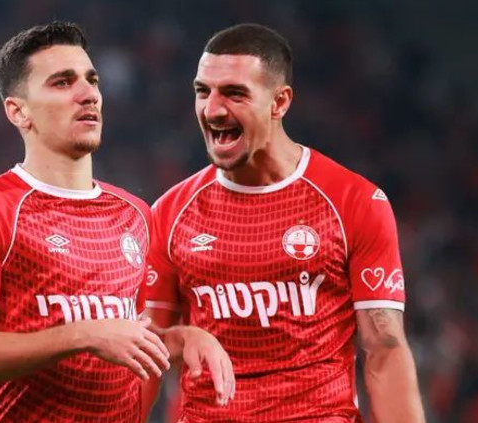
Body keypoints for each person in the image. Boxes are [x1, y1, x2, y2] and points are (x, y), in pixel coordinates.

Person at [0, 21, 233, 423]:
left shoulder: (134, 214)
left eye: (91, 80)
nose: (88, 93)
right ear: (18, 111)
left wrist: (179, 340)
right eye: (62, 82)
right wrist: (83, 335)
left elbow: (122, 338)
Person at [142, 23, 425, 422]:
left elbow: (384, 347)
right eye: (203, 91)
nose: (213, 110)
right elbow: (145, 354)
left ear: (279, 102)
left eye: (234, 93)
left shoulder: (353, 201)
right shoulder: (170, 213)